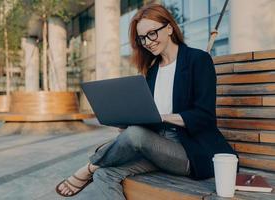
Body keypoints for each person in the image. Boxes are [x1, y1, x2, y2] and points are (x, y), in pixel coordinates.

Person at [55, 3, 237, 199]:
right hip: (156, 146)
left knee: (134, 136)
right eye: (142, 38)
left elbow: (205, 117)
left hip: (190, 151)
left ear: (169, 28)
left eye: (152, 33)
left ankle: (89, 166)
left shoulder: (197, 60)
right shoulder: (152, 71)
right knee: (106, 173)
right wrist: (129, 121)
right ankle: (97, 167)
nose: (148, 42)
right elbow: (147, 118)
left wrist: (162, 118)